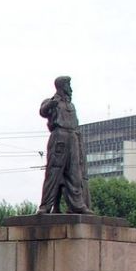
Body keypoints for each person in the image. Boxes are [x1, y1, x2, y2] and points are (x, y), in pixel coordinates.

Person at [37, 75, 92, 214]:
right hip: (59, 136)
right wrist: (51, 104)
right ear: (62, 86)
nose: (71, 89)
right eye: (68, 86)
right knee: (54, 172)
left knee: (75, 173)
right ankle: (45, 207)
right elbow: (43, 111)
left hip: (73, 137)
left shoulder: (71, 105)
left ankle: (78, 205)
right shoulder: (53, 101)